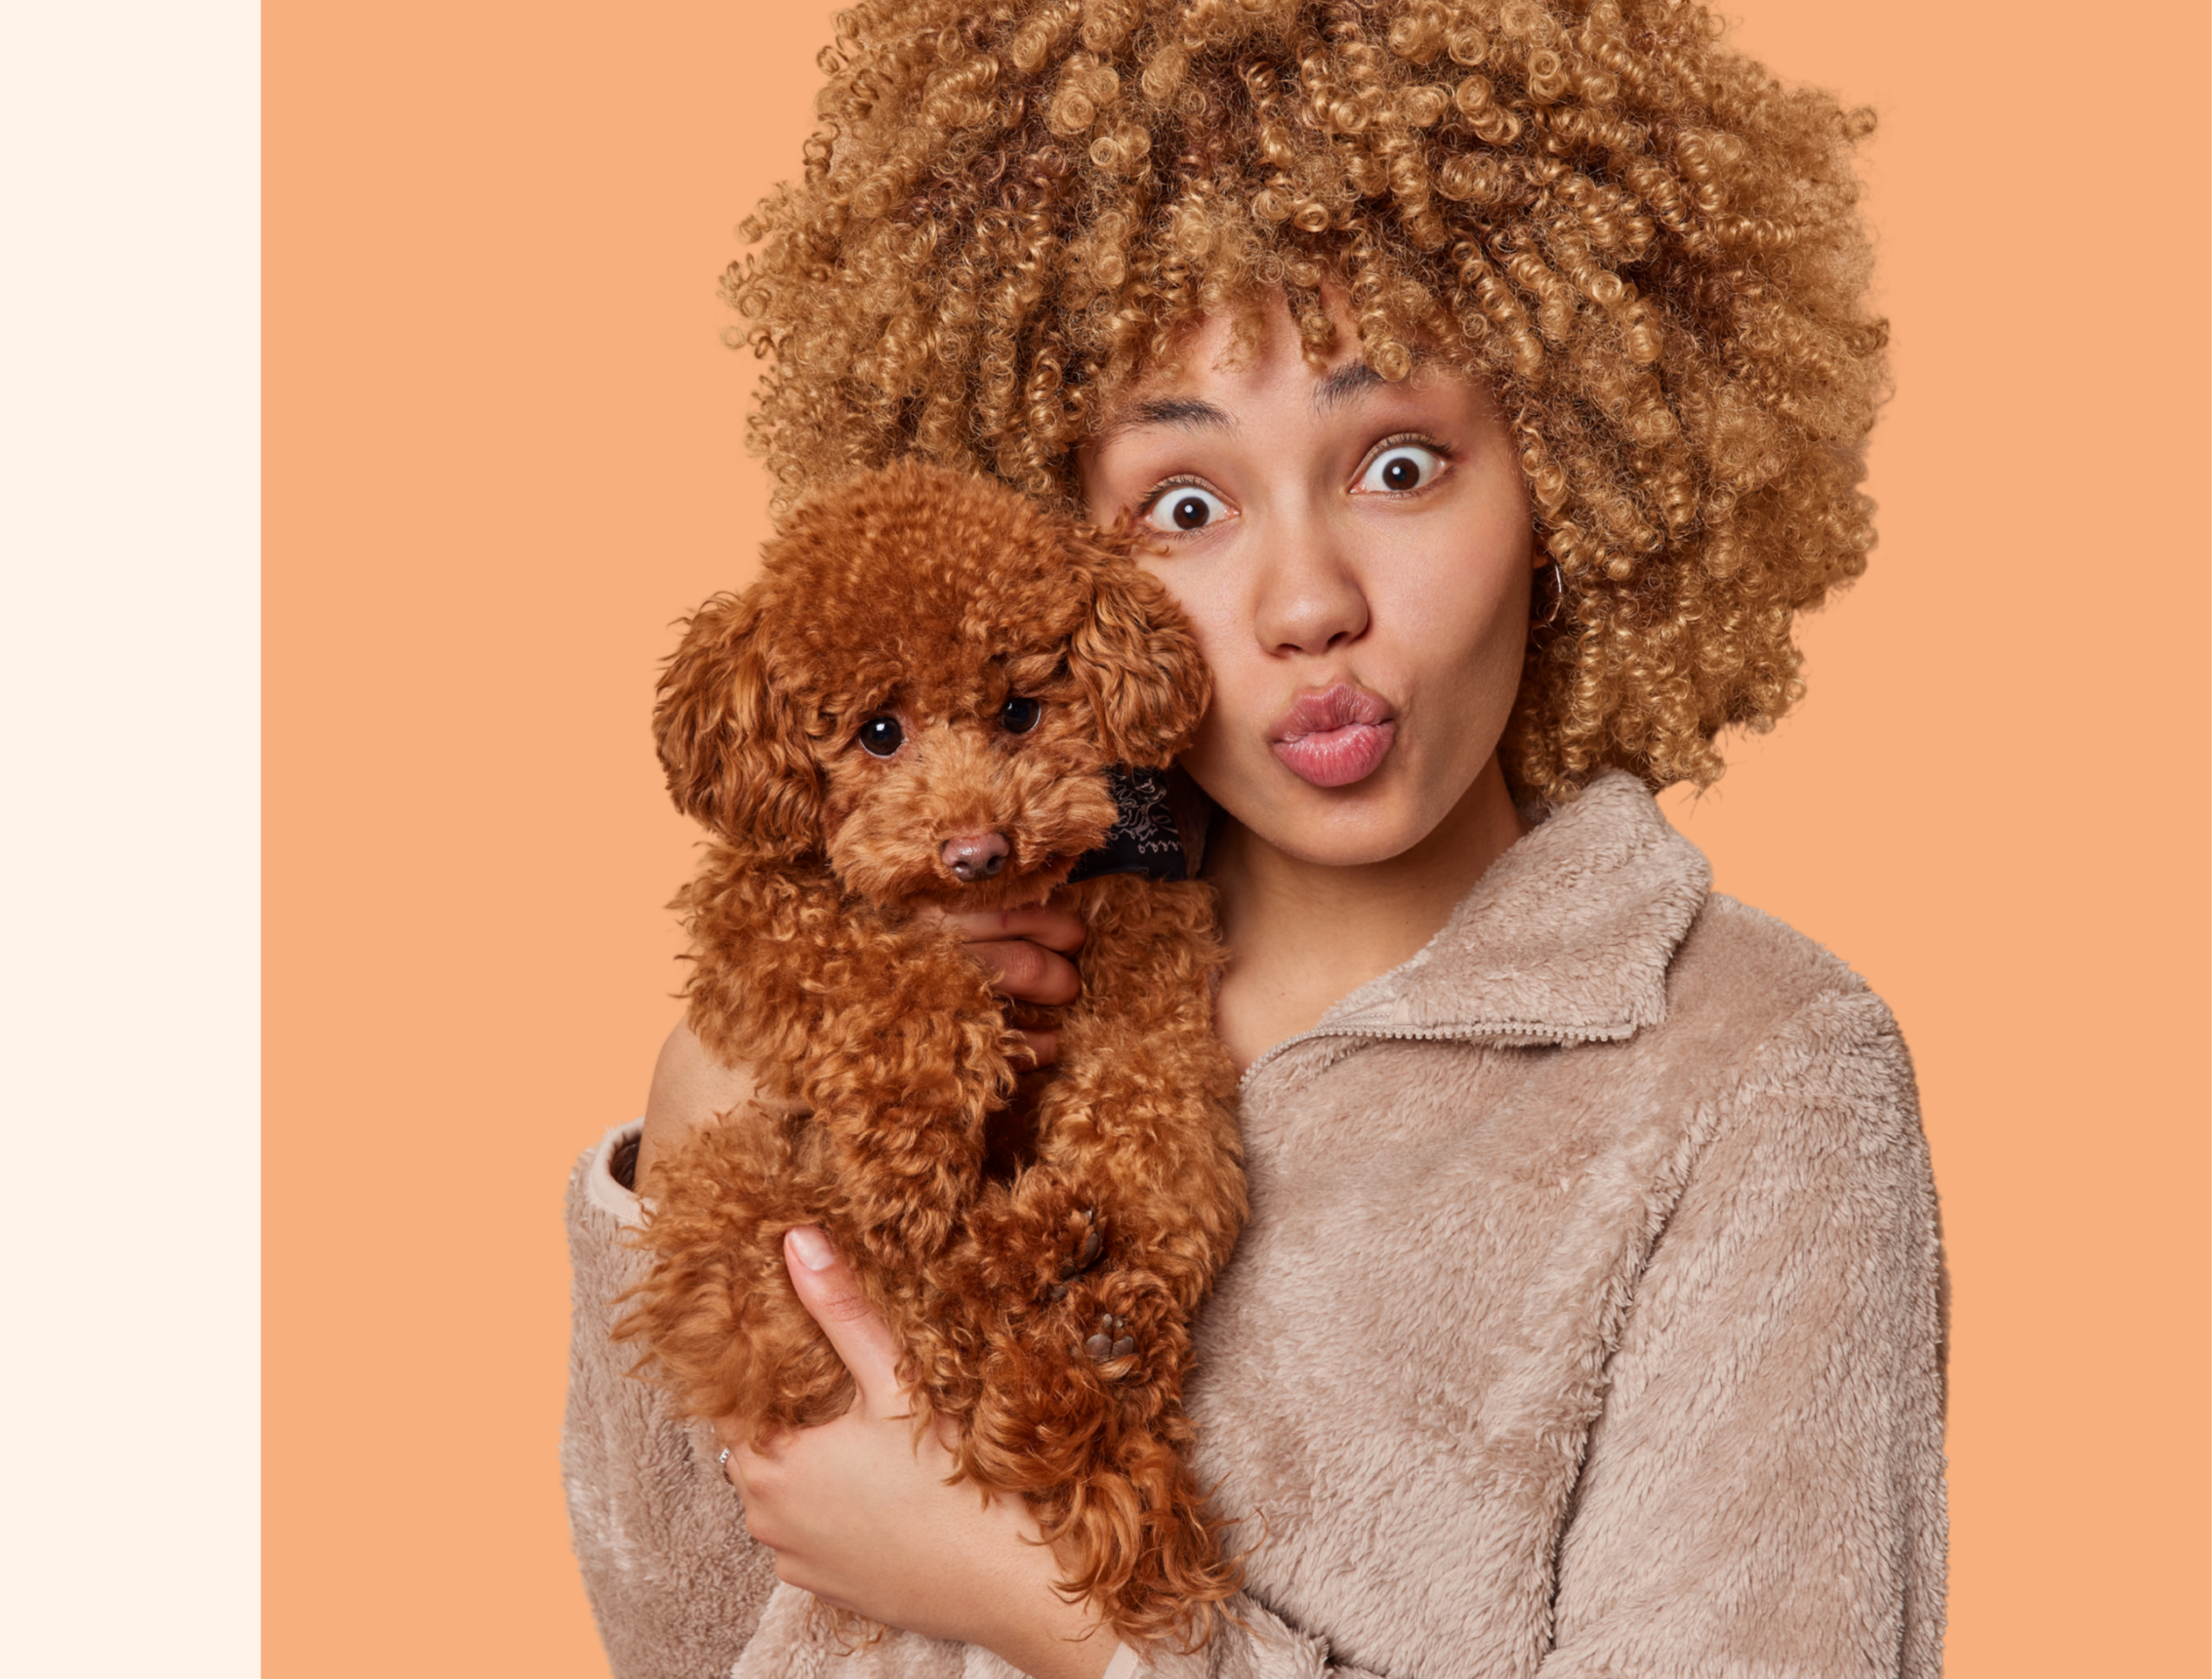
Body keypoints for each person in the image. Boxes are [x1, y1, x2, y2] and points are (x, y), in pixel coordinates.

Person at [559, 3, 1944, 1676]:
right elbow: (695, 1646)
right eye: (1188, 508)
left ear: (1572, 478)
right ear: (1052, 557)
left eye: (1403, 464)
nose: (1308, 604)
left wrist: (1075, 1622)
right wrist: (707, 1099)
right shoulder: (959, 1009)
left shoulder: (1750, 1072)